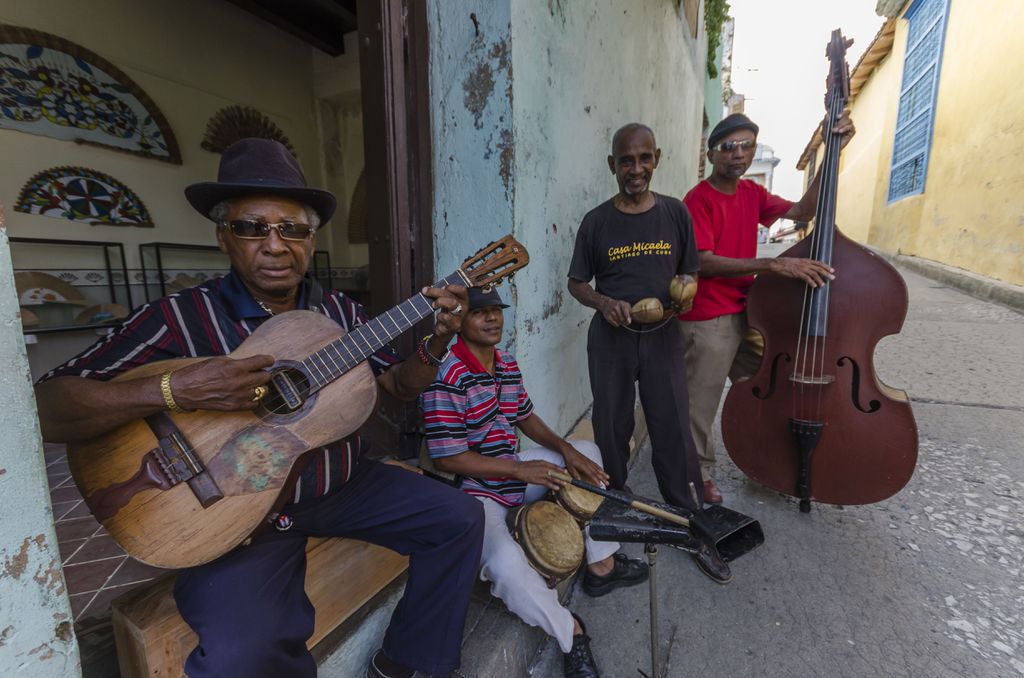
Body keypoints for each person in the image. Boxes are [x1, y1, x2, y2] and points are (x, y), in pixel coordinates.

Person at [34, 138, 484, 678]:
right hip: (234, 514)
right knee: (241, 656)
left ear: (311, 238)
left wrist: (437, 342)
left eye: (291, 229)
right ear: (223, 236)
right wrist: (175, 391)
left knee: (458, 517)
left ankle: (406, 664)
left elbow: (398, 384)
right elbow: (50, 405)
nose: (275, 244)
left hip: (338, 488)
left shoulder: (338, 310)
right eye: (253, 227)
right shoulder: (179, 318)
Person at [420, 286, 649, 678]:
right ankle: (570, 633)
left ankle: (601, 565)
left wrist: (566, 449)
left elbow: (524, 415)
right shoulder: (446, 374)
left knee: (588, 457)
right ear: (459, 322)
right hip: (473, 495)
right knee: (504, 565)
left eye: (497, 310)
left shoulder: (504, 363)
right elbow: (447, 456)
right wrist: (519, 471)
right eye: (480, 313)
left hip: (511, 472)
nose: (492, 318)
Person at [566, 122, 731, 585]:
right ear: (612, 166)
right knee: (611, 430)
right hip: (612, 339)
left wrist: (685, 296)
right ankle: (617, 525)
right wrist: (604, 302)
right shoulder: (596, 222)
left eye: (643, 159)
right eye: (625, 161)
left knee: (673, 429)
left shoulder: (676, 214)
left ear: (656, 158)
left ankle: (692, 527)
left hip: (662, 337)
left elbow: (689, 274)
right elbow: (577, 283)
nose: (635, 169)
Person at [678, 112, 855, 504]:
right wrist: (772, 264)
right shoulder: (699, 199)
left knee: (769, 388)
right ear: (711, 155)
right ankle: (696, 477)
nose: (737, 154)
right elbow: (702, 261)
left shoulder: (751, 194)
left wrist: (834, 152)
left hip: (748, 312)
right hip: (708, 318)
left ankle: (768, 464)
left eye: (746, 146)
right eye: (728, 147)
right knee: (699, 406)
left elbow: (805, 211)